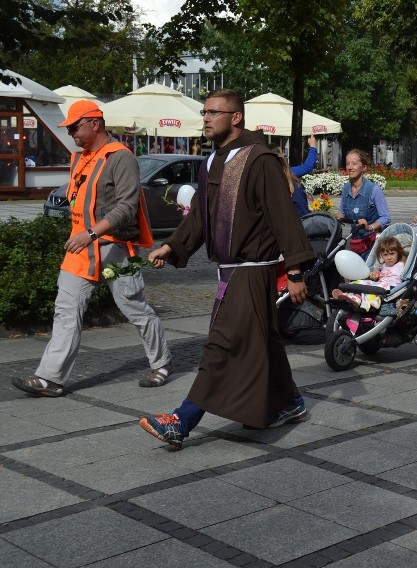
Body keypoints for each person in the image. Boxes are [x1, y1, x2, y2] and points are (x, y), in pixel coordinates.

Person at [138, 89, 316, 449]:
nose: (205, 118)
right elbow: (202, 216)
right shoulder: (210, 162)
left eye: (214, 112)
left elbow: (284, 217)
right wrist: (174, 245)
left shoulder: (259, 159)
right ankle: (291, 401)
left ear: (236, 118)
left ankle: (182, 419)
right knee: (262, 341)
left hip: (252, 271)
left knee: (223, 343)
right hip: (228, 272)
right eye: (204, 112)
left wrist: (295, 270)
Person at [11, 100, 172, 398]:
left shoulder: (120, 158)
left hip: (114, 247)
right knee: (66, 311)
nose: (71, 132)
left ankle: (161, 363)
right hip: (81, 249)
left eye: (75, 126)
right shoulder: (80, 158)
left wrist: (92, 232)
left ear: (94, 123)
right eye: (69, 128)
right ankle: (50, 379)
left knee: (134, 308)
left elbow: (127, 206)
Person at [336, 149, 391, 258]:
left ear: (364, 168)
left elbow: (385, 218)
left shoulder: (374, 190)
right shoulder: (346, 189)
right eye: (347, 164)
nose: (350, 167)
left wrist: (369, 227)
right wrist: (334, 215)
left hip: (373, 244)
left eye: (354, 163)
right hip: (356, 243)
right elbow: (342, 213)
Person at [331, 236, 406, 311]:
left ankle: (361, 300)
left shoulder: (401, 264)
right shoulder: (384, 265)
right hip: (380, 285)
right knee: (359, 284)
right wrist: (376, 274)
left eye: (392, 254)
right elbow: (381, 273)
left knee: (365, 285)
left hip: (390, 287)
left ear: (398, 253)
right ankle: (351, 297)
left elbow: (405, 275)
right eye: (386, 255)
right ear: (382, 255)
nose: (389, 257)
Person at [269, 134, 318, 217]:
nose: (284, 154)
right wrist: (313, 147)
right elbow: (308, 167)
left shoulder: (265, 176)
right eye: (282, 152)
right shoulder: (289, 173)